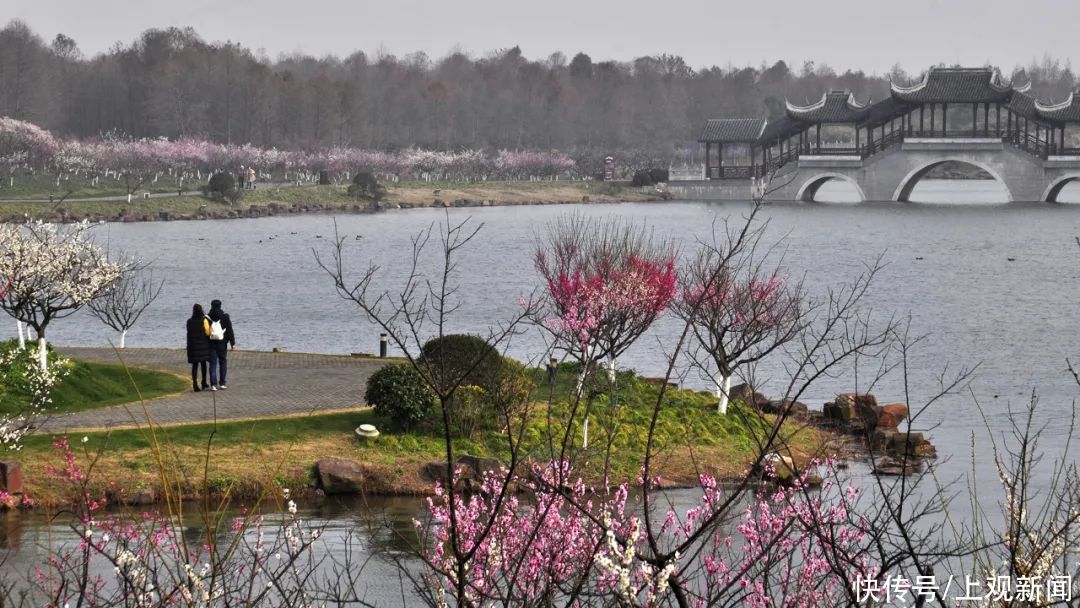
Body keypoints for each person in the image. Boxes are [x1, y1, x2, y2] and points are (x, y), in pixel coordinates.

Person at [207, 299, 236, 390]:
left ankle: (213, 385)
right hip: (222, 343)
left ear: (211, 306)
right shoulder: (225, 317)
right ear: (220, 306)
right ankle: (222, 383)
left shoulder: (207, 317)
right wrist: (233, 344)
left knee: (213, 364)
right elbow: (230, 330)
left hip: (211, 343)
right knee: (223, 362)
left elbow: (205, 331)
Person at [186, 303, 211, 392]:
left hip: (193, 346)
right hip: (203, 345)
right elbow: (208, 332)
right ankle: (204, 382)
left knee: (195, 366)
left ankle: (195, 384)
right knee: (203, 364)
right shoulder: (203, 320)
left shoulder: (189, 321)